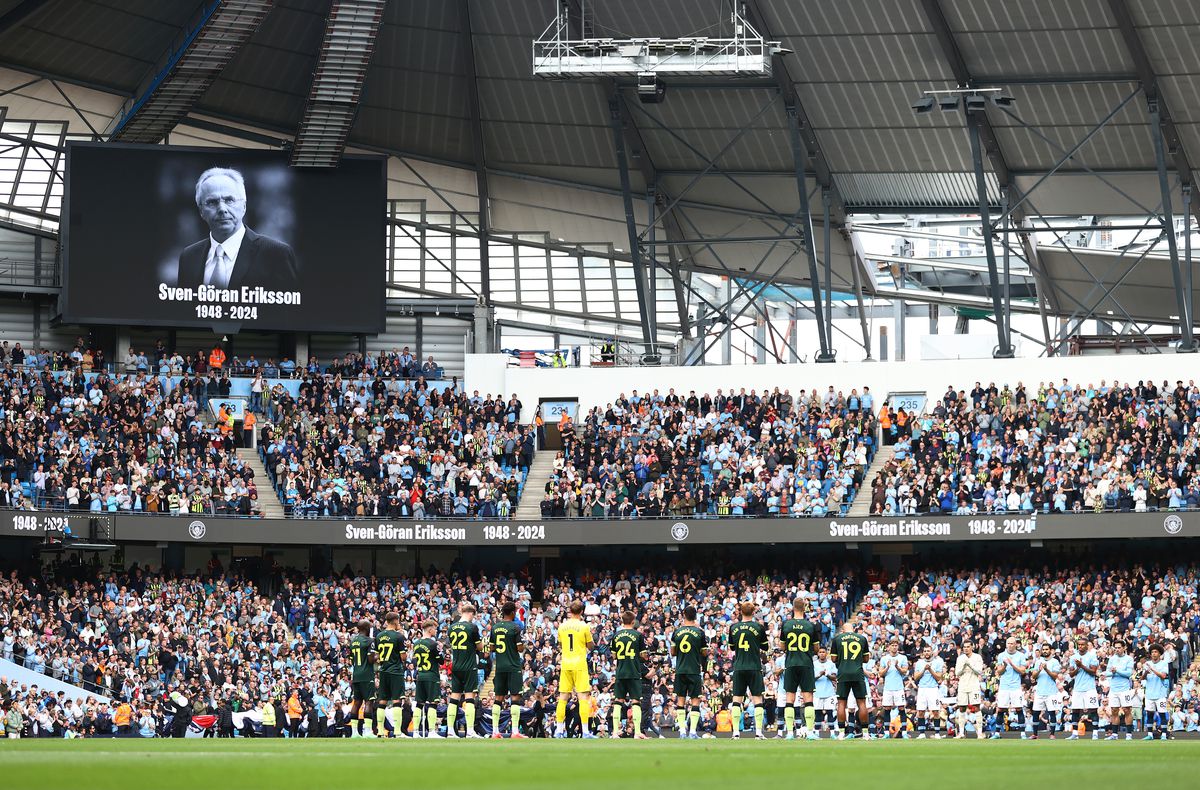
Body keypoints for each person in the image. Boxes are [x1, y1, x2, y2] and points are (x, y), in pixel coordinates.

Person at [176, 167, 299, 292]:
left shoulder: (276, 254)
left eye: (229, 200)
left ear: (244, 206)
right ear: (201, 211)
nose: (222, 209)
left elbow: (290, 310)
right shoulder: (189, 257)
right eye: (212, 202)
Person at [555, 600, 596, 739]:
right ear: (582, 612)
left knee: (563, 698)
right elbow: (591, 646)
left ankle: (559, 731)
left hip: (566, 664)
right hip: (579, 664)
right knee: (583, 698)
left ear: (570, 611)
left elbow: (560, 644)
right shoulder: (584, 626)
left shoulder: (562, 626)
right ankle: (585, 732)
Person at [728, 601, 769, 740]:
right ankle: (758, 732)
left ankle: (735, 733)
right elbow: (765, 647)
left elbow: (732, 647)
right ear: (753, 612)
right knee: (757, 699)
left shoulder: (733, 627)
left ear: (740, 612)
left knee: (736, 700)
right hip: (754, 667)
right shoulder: (758, 627)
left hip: (739, 666)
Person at [779, 596, 818, 740]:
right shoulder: (810, 626)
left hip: (791, 663)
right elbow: (816, 647)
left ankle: (789, 733)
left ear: (793, 607)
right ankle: (810, 732)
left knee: (790, 698)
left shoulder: (786, 625)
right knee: (808, 699)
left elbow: (782, 646)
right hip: (806, 663)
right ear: (804, 608)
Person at [489, 601, 526, 739]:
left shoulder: (495, 627)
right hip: (513, 666)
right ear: (513, 613)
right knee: (515, 697)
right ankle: (515, 732)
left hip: (499, 667)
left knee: (498, 698)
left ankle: (494, 732)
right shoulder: (515, 627)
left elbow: (491, 648)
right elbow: (520, 648)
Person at [447, 603, 484, 738]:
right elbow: (479, 647)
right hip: (469, 666)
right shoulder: (472, 627)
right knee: (469, 699)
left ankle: (450, 730)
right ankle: (470, 731)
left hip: (456, 665)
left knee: (454, 697)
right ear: (471, 613)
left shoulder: (451, 628)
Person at [671, 605, 707, 740]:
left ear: (684, 615)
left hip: (680, 670)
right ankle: (692, 732)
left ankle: (681, 731)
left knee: (680, 700)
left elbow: (673, 652)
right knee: (695, 701)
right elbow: (704, 652)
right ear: (695, 616)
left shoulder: (677, 632)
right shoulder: (699, 632)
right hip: (694, 670)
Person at [610, 610, 648, 739]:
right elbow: (643, 655)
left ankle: (615, 732)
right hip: (634, 672)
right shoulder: (638, 635)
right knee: (636, 702)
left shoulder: (616, 635)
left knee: (618, 702)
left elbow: (614, 655)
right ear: (633, 621)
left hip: (620, 672)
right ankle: (637, 732)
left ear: (622, 621)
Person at [830, 620, 871, 739]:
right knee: (861, 703)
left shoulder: (837, 639)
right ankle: (866, 733)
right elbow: (866, 659)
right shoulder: (862, 638)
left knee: (842, 703)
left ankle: (842, 732)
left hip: (843, 673)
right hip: (858, 673)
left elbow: (833, 659)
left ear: (843, 630)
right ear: (853, 629)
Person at [375, 611, 406, 738]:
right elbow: (403, 657)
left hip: (383, 671)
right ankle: (398, 732)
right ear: (395, 621)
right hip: (395, 671)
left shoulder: (378, 636)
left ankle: (380, 732)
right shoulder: (398, 636)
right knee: (397, 700)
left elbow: (377, 656)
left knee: (382, 701)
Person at [412, 619, 442, 738]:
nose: (435, 631)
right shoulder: (433, 644)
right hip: (431, 675)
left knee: (419, 704)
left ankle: (415, 732)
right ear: (430, 629)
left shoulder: (416, 643)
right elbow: (441, 661)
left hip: (420, 675)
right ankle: (431, 731)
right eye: (434, 628)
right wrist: (440, 649)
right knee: (433, 703)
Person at [993, 636, 1028, 739]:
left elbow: (1022, 671)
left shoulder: (1021, 655)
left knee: (1018, 708)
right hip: (1004, 686)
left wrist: (1012, 664)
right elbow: (999, 672)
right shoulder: (1001, 655)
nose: (1010, 645)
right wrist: (1004, 665)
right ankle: (997, 733)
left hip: (1015, 686)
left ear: (1016, 644)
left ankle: (1022, 733)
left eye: (1012, 643)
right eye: (1008, 643)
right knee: (1000, 709)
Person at [1067, 636, 1100, 740]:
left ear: (1087, 646)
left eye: (1082, 645)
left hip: (1090, 688)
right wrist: (1078, 667)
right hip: (1077, 688)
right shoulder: (1073, 657)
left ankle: (1095, 733)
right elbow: (1071, 674)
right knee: (1075, 710)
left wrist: (1082, 666)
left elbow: (1093, 672)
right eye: (1079, 645)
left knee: (1093, 710)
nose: (1080, 646)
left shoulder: (1092, 656)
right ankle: (1075, 734)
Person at [348, 619, 377, 738]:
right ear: (366, 628)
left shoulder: (353, 641)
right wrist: (378, 655)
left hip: (356, 674)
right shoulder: (369, 641)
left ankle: (354, 732)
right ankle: (367, 731)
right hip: (366, 675)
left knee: (356, 703)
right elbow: (370, 660)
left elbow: (351, 659)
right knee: (369, 702)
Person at [1030, 643, 1062, 739]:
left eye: (1046, 649)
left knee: (1052, 713)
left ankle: (1052, 734)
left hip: (1051, 692)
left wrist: (1046, 669)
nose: (1044, 651)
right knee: (1035, 713)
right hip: (1040, 691)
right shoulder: (1038, 661)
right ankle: (1035, 734)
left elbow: (1055, 676)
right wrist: (1040, 670)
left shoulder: (1055, 662)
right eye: (1043, 649)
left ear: (1050, 650)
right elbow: (1033, 676)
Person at [913, 644, 946, 738]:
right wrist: (924, 669)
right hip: (922, 688)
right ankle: (922, 733)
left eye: (928, 651)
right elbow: (915, 677)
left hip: (933, 688)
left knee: (935, 711)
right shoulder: (919, 663)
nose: (927, 653)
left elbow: (938, 677)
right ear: (923, 653)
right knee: (921, 711)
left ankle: (937, 733)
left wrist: (930, 669)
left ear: (931, 652)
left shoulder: (937, 662)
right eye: (925, 651)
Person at [954, 640, 985, 739]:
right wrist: (964, 666)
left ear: (972, 647)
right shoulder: (960, 658)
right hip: (963, 685)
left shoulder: (977, 657)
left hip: (974, 685)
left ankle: (979, 733)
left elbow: (979, 671)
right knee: (962, 708)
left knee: (976, 707)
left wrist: (970, 664)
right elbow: (957, 673)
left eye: (968, 647)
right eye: (964, 647)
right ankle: (961, 732)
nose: (966, 648)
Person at [879, 639, 910, 738]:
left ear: (898, 647)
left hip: (898, 687)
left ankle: (904, 732)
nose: (894, 647)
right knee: (887, 709)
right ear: (889, 647)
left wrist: (897, 666)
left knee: (901, 708)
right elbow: (880, 673)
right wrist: (887, 667)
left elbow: (905, 672)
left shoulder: (903, 658)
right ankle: (887, 733)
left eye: (896, 645)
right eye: (892, 645)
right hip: (888, 687)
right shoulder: (884, 658)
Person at [1105, 639, 1135, 740]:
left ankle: (1129, 734)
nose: (1117, 650)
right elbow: (1107, 673)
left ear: (1124, 648)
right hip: (1114, 688)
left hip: (1124, 689)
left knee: (1127, 710)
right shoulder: (1112, 658)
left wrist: (1116, 670)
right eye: (1115, 648)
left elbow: (1129, 674)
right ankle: (1114, 734)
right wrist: (1113, 672)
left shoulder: (1129, 659)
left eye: (1119, 648)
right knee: (1114, 710)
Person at [1142, 644, 1171, 740]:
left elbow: (1163, 675)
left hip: (1160, 693)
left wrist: (1152, 669)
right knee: (1149, 714)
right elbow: (1142, 678)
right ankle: (1150, 734)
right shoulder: (1147, 663)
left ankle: (1163, 735)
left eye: (1156, 652)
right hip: (1149, 693)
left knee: (1162, 714)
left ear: (1159, 654)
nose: (1154, 654)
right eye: (1152, 652)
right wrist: (1146, 672)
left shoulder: (1164, 663)